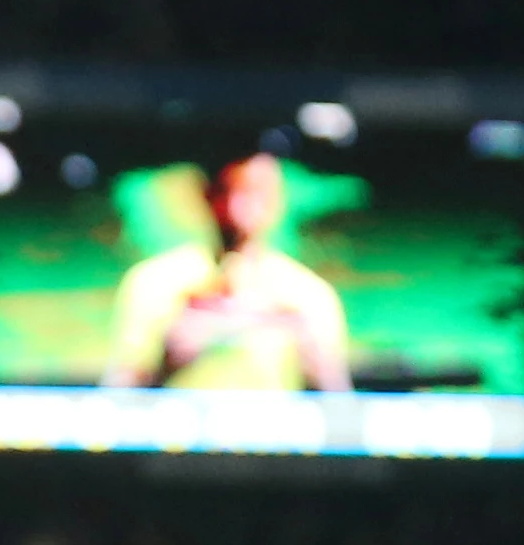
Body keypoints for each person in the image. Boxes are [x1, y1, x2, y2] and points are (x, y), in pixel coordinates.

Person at [102, 152, 354, 392]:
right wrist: (164, 365)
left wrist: (318, 369)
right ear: (205, 196)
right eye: (225, 192)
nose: (235, 210)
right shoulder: (152, 283)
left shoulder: (309, 295)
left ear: (275, 199)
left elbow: (343, 412)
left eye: (252, 193)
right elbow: (115, 402)